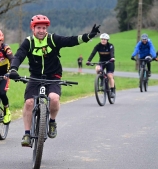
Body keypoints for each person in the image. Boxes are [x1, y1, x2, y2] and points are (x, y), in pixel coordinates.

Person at [7, 14, 100, 147]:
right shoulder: (29, 42)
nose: (41, 30)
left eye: (44, 28)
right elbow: (19, 55)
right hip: (35, 76)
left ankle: (51, 122)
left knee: (54, 98)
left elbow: (71, 40)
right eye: (38, 27)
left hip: (53, 76)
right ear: (33, 29)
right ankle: (27, 133)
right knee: (29, 102)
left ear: (47, 29)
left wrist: (89, 36)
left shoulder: (53, 39)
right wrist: (14, 69)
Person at [86, 33, 115, 97]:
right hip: (101, 61)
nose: (103, 40)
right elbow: (93, 53)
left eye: (104, 39)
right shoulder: (98, 46)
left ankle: (112, 91)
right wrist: (88, 61)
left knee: (110, 76)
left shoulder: (110, 46)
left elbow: (112, 52)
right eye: (102, 39)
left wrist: (112, 58)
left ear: (107, 40)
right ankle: (101, 79)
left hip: (110, 61)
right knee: (97, 69)